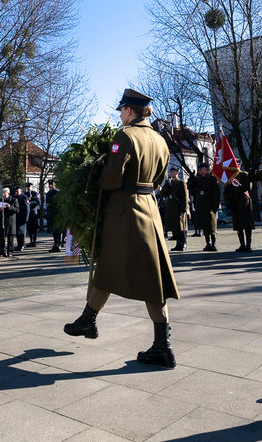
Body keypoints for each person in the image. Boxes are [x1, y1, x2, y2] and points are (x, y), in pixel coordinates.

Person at [64, 88, 180, 369]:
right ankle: (158, 345)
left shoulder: (125, 136)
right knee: (152, 277)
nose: (119, 115)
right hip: (150, 211)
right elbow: (161, 179)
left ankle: (90, 321)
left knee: (109, 265)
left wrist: (98, 173)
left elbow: (110, 179)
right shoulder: (160, 140)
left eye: (121, 110)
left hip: (124, 211)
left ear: (129, 110)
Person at [187, 162, 219, 251]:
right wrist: (191, 178)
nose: (199, 171)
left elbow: (217, 192)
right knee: (203, 224)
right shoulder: (198, 179)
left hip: (209, 202)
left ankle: (213, 242)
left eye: (201, 169)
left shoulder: (212, 179)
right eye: (199, 169)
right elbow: (190, 187)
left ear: (206, 169)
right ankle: (207, 243)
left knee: (211, 224)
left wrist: (216, 205)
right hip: (200, 203)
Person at [159, 167, 189, 251]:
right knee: (174, 226)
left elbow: (185, 196)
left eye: (172, 172)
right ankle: (178, 243)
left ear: (176, 173)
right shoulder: (169, 183)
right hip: (171, 206)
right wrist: (166, 185)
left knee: (181, 227)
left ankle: (183, 243)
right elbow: (162, 194)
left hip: (178, 206)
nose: (170, 173)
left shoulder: (181, 183)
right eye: (170, 172)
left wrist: (184, 208)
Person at [225, 170, 255, 252]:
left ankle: (248, 245)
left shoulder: (244, 175)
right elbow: (226, 191)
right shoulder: (229, 177)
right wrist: (228, 203)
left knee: (247, 224)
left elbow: (248, 186)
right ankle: (242, 244)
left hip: (244, 202)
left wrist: (235, 190)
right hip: (234, 203)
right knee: (238, 225)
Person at [45, 180, 62, 252]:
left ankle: (59, 244)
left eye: (51, 184)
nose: (50, 186)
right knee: (53, 231)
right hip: (51, 214)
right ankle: (55, 244)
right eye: (49, 184)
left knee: (58, 230)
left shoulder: (57, 193)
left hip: (57, 214)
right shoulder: (48, 193)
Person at [14, 186, 29, 252]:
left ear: (21, 191)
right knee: (17, 232)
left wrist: (26, 218)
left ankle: (22, 245)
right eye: (15, 192)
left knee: (22, 232)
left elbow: (27, 208)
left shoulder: (24, 197)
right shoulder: (14, 197)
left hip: (22, 217)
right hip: (16, 217)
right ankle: (18, 245)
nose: (16, 193)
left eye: (17, 191)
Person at [26, 182, 41, 246]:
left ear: (32, 187)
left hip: (33, 213)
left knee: (34, 228)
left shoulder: (35, 193)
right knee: (29, 228)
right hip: (27, 213)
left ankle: (34, 241)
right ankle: (30, 240)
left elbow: (38, 202)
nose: (28, 188)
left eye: (30, 187)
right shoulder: (25, 194)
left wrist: (30, 203)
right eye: (27, 187)